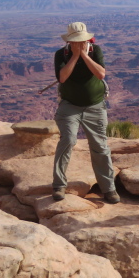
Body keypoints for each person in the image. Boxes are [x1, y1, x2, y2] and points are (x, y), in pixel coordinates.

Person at [52, 22, 119, 204]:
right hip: (69, 106)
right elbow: (63, 77)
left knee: (100, 146)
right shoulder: (62, 54)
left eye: (82, 40)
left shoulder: (95, 50)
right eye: (76, 41)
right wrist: (74, 57)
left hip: (95, 106)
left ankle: (109, 189)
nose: (79, 43)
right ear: (69, 41)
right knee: (67, 140)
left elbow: (101, 74)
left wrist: (83, 54)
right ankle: (59, 186)